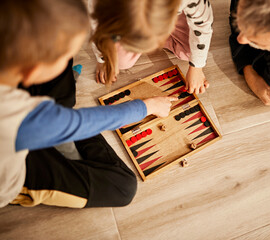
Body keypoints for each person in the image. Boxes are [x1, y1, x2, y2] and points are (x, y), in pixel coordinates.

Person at [0, 0, 176, 208]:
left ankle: (60, 123)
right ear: (32, 72)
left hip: (25, 110)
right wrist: (148, 107)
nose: (69, 58)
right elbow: (80, 123)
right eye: (67, 55)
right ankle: (57, 139)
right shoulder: (19, 119)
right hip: (16, 172)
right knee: (122, 187)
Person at [89, 0, 214, 94]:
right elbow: (97, 30)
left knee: (190, 53)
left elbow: (203, 25)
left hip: (177, 13)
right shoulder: (100, 5)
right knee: (120, 61)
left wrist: (197, 67)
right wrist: (103, 59)